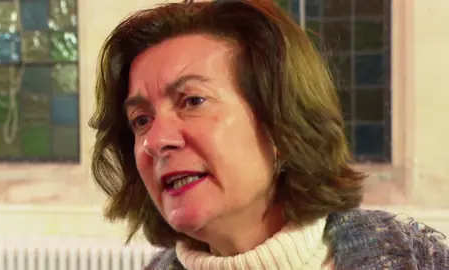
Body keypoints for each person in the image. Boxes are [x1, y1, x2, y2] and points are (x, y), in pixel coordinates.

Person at [89, 0, 449, 269]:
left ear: (280, 124)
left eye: (192, 101)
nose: (155, 141)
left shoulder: (419, 260)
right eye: (141, 120)